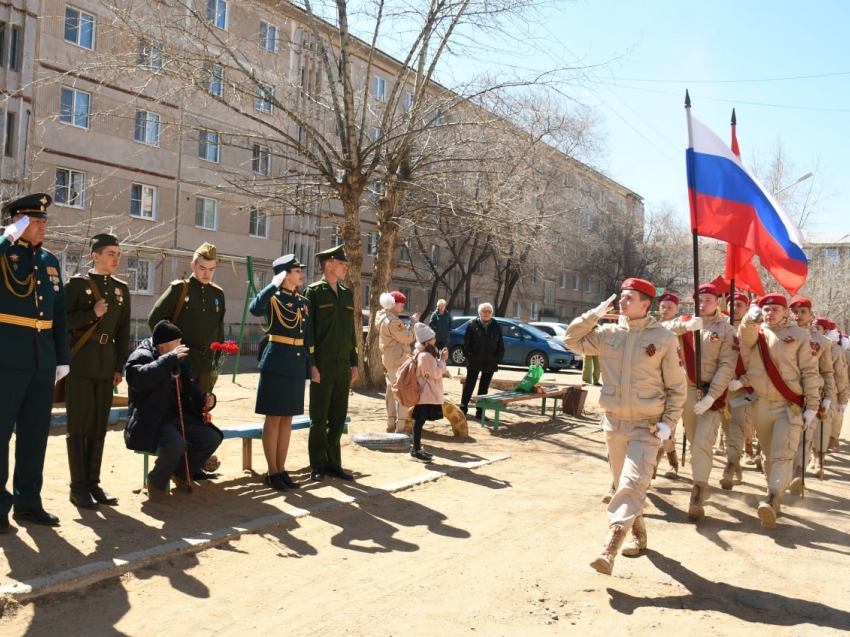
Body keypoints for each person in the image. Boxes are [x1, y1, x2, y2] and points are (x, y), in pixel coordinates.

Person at [565, 278, 686, 575]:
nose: (622, 301)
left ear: (647, 304)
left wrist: (669, 424)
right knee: (624, 486)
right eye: (621, 297)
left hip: (648, 427)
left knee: (632, 485)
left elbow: (677, 387)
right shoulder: (606, 333)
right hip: (614, 424)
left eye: (629, 298)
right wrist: (593, 315)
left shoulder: (664, 338)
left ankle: (610, 545)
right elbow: (570, 340)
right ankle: (639, 532)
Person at [0, 193, 71, 531]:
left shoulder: (50, 261)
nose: (43, 226)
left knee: (34, 435)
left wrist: (63, 358)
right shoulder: (5, 252)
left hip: (43, 360)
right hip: (7, 358)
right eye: (35, 221)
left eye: (44, 221)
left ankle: (28, 502)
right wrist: (7, 236)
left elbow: (58, 314)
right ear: (19, 222)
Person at [737, 294, 820, 529]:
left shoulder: (800, 336)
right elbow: (745, 336)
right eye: (766, 309)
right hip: (761, 404)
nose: (769, 313)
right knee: (768, 455)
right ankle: (773, 493)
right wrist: (748, 320)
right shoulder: (756, 332)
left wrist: (812, 405)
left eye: (775, 309)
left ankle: (771, 499)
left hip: (789, 404)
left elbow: (810, 372)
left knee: (782, 454)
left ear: (785, 312)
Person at [64, 233, 131, 509]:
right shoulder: (77, 285)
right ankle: (78, 487)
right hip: (80, 363)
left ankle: (93, 484)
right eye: (110, 254)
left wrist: (119, 366)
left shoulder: (120, 289)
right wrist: (92, 313)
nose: (116, 258)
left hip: (106, 364)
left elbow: (124, 331)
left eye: (117, 254)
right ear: (95, 256)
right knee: (78, 423)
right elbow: (62, 321)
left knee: (98, 425)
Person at [124, 320, 222, 502]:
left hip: (180, 417)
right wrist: (168, 360)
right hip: (153, 419)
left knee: (212, 437)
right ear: (162, 345)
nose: (180, 346)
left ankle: (181, 472)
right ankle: (156, 481)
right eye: (176, 342)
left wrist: (207, 400)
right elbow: (138, 379)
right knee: (177, 444)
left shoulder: (181, 359)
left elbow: (191, 392)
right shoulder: (141, 356)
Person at [669, 283, 737, 518]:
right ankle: (700, 483)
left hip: (711, 393)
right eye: (700, 300)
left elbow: (727, 366)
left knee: (702, 443)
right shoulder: (685, 321)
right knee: (692, 435)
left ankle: (698, 488)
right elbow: (659, 330)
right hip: (685, 391)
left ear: (717, 302)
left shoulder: (727, 330)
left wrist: (712, 395)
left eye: (709, 300)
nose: (703, 304)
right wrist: (683, 326)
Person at [249, 255, 311, 492]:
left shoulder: (303, 302)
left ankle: (282, 470)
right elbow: (255, 309)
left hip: (295, 364)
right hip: (276, 363)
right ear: (284, 274)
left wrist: (308, 368)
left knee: (287, 420)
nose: (301, 273)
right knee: (273, 419)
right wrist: (272, 284)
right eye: (296, 270)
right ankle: (272, 471)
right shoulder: (273, 298)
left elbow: (306, 338)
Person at [304, 244, 358, 482]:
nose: (346, 266)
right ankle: (317, 464)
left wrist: (355, 362)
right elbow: (309, 332)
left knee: (338, 417)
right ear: (328, 265)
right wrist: (312, 365)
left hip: (343, 364)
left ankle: (334, 463)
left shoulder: (347, 294)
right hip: (323, 365)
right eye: (341, 263)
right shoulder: (313, 292)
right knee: (319, 418)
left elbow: (351, 333)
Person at [148, 242, 225, 393]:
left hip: (206, 364)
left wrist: (215, 365)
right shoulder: (180, 289)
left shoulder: (217, 294)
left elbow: (219, 332)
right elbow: (154, 319)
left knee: (201, 410)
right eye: (202, 268)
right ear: (193, 266)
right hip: (181, 361)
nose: (207, 274)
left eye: (211, 269)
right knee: (178, 410)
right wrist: (168, 354)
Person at [787, 298, 836, 491]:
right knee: (787, 436)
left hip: (811, 394)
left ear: (810, 314)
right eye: (795, 312)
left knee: (805, 436)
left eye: (803, 312)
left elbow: (827, 372)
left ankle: (798, 472)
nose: (798, 316)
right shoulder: (784, 335)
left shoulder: (822, 342)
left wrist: (829, 397)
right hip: (787, 393)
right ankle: (784, 474)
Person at [809, 318, 848, 473]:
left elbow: (840, 376)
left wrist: (842, 399)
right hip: (807, 391)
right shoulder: (802, 343)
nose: (815, 331)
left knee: (823, 427)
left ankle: (819, 459)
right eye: (813, 328)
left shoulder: (836, 351)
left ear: (826, 332)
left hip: (827, 393)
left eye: (818, 328)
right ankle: (812, 455)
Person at [376, 290, 419, 433]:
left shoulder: (383, 317)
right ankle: (401, 427)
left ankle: (391, 423)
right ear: (393, 305)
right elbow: (407, 337)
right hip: (398, 359)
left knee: (391, 391)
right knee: (402, 392)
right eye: (401, 306)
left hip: (390, 358)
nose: (402, 308)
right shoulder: (393, 321)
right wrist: (413, 323)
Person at [409, 323, 448, 462]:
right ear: (427, 341)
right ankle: (416, 450)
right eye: (432, 338)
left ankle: (416, 449)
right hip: (426, 394)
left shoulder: (425, 354)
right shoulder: (425, 356)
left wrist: (439, 360)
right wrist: (443, 360)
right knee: (419, 421)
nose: (435, 340)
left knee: (419, 421)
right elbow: (437, 373)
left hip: (426, 393)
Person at [459, 303, 504, 420]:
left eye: (489, 312)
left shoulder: (496, 326)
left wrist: (497, 359)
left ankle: (480, 411)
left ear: (492, 313)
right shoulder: (472, 325)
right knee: (469, 385)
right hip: (474, 361)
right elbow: (465, 345)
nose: (486, 314)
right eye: (484, 311)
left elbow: (500, 345)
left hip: (490, 362)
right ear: (479, 313)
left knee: (484, 388)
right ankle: (463, 409)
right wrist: (471, 357)